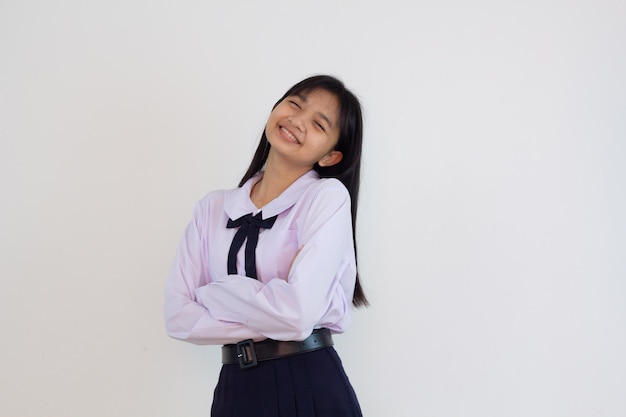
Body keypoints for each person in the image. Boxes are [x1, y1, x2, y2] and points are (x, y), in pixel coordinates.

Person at [164, 74, 368, 416]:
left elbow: (297, 315)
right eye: (294, 104)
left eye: (318, 123)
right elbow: (177, 318)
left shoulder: (326, 198)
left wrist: (216, 293)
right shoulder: (212, 208)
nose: (297, 121)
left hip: (308, 381)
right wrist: (276, 316)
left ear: (331, 157)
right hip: (234, 387)